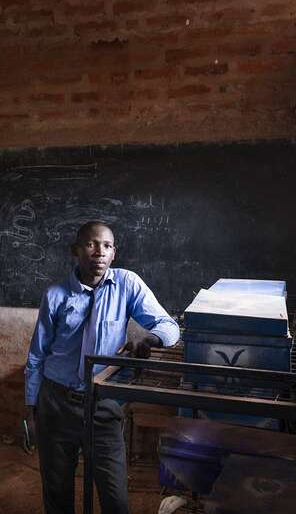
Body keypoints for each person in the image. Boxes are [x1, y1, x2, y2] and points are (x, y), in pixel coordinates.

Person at [23, 220, 180, 514]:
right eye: (91, 244)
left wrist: (149, 337)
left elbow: (169, 327)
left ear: (114, 253)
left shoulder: (127, 284)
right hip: (57, 404)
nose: (99, 252)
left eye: (107, 246)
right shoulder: (55, 295)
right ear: (75, 250)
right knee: (57, 494)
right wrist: (32, 408)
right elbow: (37, 356)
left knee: (115, 496)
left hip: (103, 405)